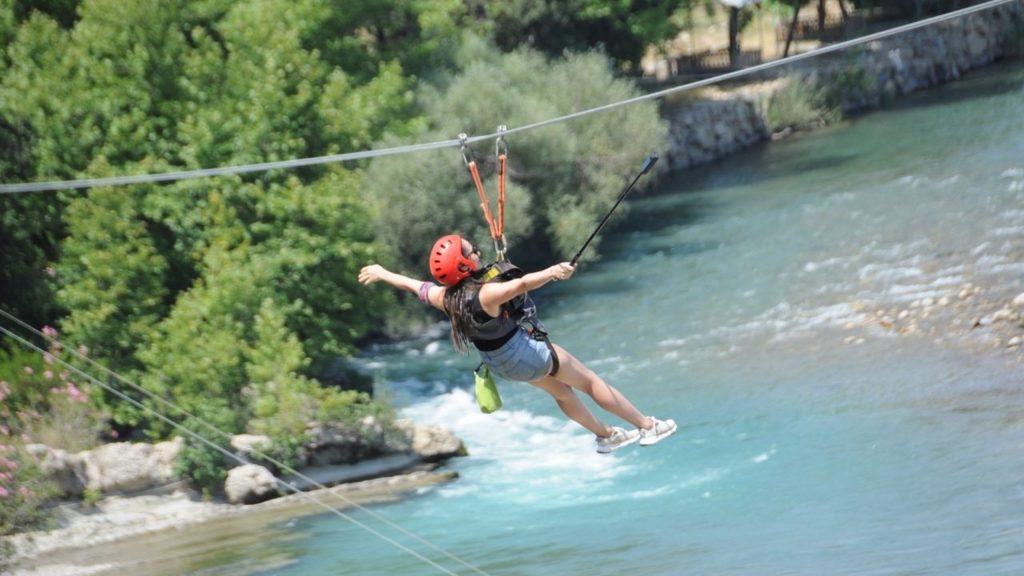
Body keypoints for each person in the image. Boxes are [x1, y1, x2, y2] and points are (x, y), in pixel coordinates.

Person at [358, 234, 677, 454]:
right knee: (590, 382)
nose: (476, 252)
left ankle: (606, 436)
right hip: (526, 353)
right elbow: (523, 283)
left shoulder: (446, 298)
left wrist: (383, 272)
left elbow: (413, 285)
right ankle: (647, 426)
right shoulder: (488, 294)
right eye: (471, 251)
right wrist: (554, 271)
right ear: (466, 264)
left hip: (503, 365)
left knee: (561, 393)